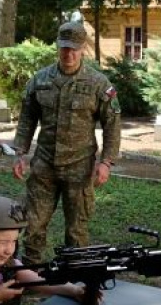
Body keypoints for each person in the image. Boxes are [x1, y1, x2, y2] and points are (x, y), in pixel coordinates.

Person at [12, 20, 122, 264]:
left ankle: (74, 275)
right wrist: (20, 153)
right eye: (64, 48)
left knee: (77, 230)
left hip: (80, 167)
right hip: (44, 166)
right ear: (57, 46)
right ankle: (30, 273)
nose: (68, 54)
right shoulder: (40, 80)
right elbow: (27, 119)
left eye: (74, 49)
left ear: (83, 49)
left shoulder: (98, 84)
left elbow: (112, 125)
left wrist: (106, 162)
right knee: (33, 224)